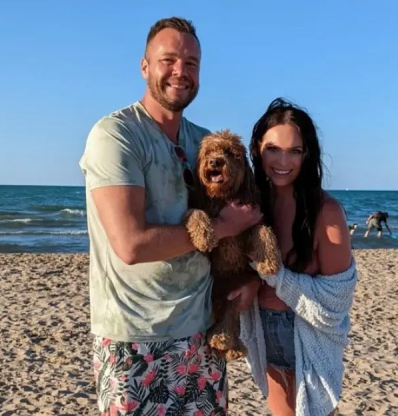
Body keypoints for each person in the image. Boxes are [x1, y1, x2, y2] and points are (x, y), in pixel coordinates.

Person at [78, 17, 263, 415]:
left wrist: (249, 280)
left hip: (203, 329)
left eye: (192, 63)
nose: (181, 72)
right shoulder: (116, 135)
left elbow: (244, 218)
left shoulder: (204, 142)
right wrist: (224, 226)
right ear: (145, 66)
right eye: (169, 60)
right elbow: (130, 244)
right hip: (133, 336)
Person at [239, 98, 358, 416]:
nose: (283, 161)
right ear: (257, 149)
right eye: (273, 149)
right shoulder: (252, 206)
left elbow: (335, 302)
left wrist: (276, 276)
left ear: (308, 155)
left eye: (295, 151)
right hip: (262, 331)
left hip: (305, 334)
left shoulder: (326, 212)